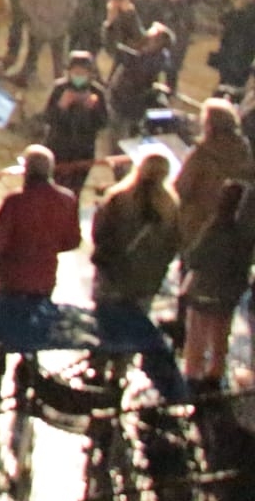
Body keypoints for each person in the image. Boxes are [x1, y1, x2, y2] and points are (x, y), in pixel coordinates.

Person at [89, 152, 185, 400]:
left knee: (104, 323)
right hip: (144, 283)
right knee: (132, 326)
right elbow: (173, 245)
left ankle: (96, 369)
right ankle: (119, 374)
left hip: (112, 276)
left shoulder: (119, 198)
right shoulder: (170, 206)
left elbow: (100, 234)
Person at [178, 180, 255, 388]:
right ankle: (214, 379)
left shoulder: (212, 227)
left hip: (202, 290)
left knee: (195, 340)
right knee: (220, 341)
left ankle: (192, 379)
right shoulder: (244, 237)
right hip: (226, 295)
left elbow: (194, 258)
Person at [0, 145, 81, 301]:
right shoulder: (67, 200)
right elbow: (73, 241)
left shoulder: (14, 201)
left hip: (12, 278)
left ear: (26, 170)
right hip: (46, 277)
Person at [172, 99, 255, 252]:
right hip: (230, 226)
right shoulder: (244, 151)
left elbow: (181, 189)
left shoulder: (201, 154)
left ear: (208, 125)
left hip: (197, 224)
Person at [40, 52, 111, 194]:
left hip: (83, 151)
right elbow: (47, 117)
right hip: (58, 149)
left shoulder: (97, 92)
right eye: (75, 72)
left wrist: (94, 109)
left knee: (75, 192)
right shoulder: (59, 89)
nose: (79, 75)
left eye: (83, 72)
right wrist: (61, 106)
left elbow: (104, 123)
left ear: (90, 73)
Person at [13, 0, 79, 84]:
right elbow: (26, 3)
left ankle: (59, 83)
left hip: (58, 27)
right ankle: (24, 79)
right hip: (38, 26)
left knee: (58, 59)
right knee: (32, 56)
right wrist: (34, 19)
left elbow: (72, 3)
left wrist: (65, 20)